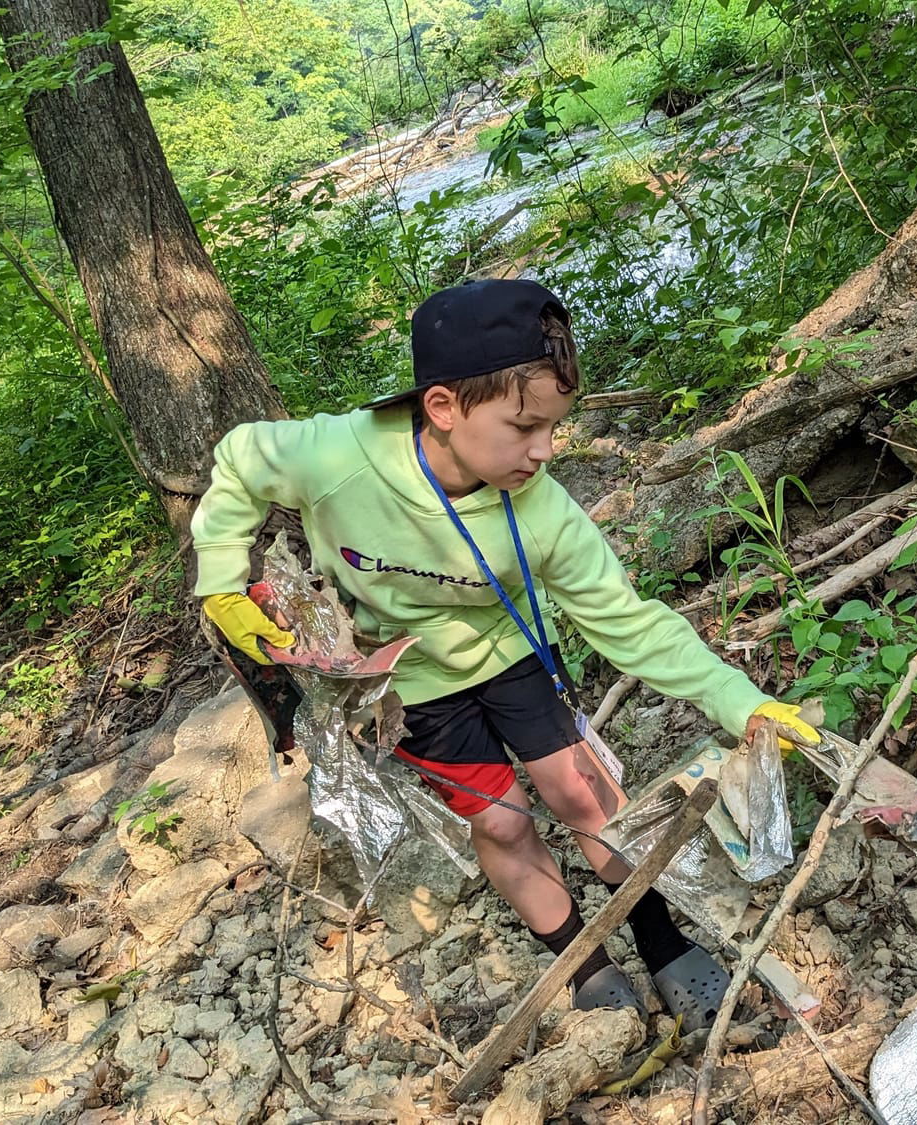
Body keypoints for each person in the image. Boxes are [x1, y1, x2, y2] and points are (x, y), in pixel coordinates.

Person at [190, 278, 818, 1030]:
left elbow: (629, 620)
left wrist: (739, 700)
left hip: (512, 648)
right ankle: (584, 962)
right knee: (502, 825)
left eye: (554, 427)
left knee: (583, 794)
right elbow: (239, 457)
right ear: (444, 408)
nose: (544, 451)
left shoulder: (543, 507)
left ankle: (662, 938)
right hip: (407, 678)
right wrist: (220, 581)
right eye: (524, 426)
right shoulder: (335, 457)